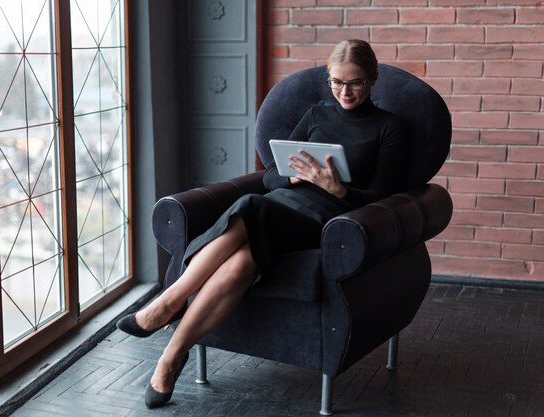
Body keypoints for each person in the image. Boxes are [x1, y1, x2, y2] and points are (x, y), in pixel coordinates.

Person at [116, 39, 407, 409]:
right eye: (336, 82)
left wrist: (339, 189)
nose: (344, 92)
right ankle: (172, 357)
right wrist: (291, 179)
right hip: (281, 205)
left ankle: (168, 302)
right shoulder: (317, 114)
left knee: (250, 205)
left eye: (355, 83)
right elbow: (269, 174)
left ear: (373, 79)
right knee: (240, 263)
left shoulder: (390, 128)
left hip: (329, 220)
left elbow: (384, 197)